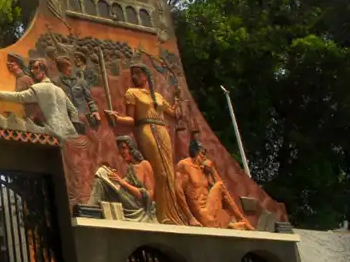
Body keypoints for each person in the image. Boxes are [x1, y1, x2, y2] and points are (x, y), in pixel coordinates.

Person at [104, 63, 195, 225]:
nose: (135, 77)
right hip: (146, 130)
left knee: (169, 172)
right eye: (133, 74)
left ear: (146, 75)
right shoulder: (132, 93)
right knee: (160, 173)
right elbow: (132, 119)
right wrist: (117, 118)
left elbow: (175, 114)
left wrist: (177, 98)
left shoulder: (158, 96)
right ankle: (161, 214)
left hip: (162, 131)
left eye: (138, 73)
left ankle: (175, 213)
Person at [0, 59, 79, 141]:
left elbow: (18, 97)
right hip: (71, 134)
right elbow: (74, 110)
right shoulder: (59, 90)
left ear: (43, 71)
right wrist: (74, 124)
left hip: (55, 133)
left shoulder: (39, 88)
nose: (32, 71)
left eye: (35, 68)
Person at [175, 138, 254, 230]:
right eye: (203, 152)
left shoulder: (203, 170)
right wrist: (190, 218)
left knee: (219, 187)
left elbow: (223, 192)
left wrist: (212, 170)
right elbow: (178, 190)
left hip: (211, 213)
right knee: (219, 186)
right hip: (200, 214)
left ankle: (238, 223)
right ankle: (241, 220)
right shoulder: (185, 165)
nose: (205, 157)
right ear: (196, 151)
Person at [88, 135, 158, 223]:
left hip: (137, 205)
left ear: (132, 149)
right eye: (120, 150)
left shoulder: (145, 165)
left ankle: (90, 210)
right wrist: (112, 176)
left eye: (124, 148)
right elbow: (122, 186)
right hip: (127, 200)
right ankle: (91, 209)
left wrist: (121, 182)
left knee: (101, 173)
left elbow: (150, 195)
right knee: (101, 179)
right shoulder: (131, 168)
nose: (121, 152)